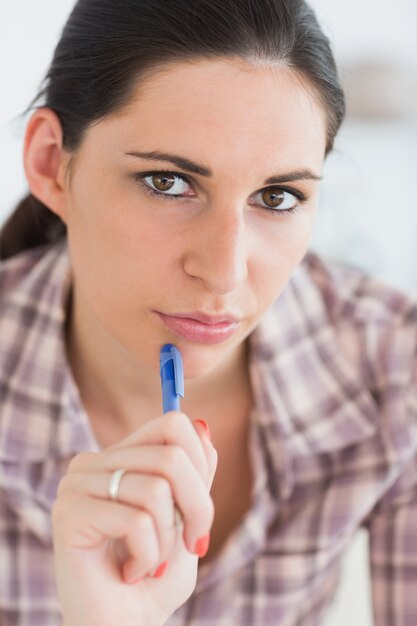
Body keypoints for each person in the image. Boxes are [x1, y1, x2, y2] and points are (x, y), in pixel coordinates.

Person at [0, 0, 416, 624]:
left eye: (278, 196)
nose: (225, 272)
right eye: (168, 182)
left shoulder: (394, 363)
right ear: (51, 164)